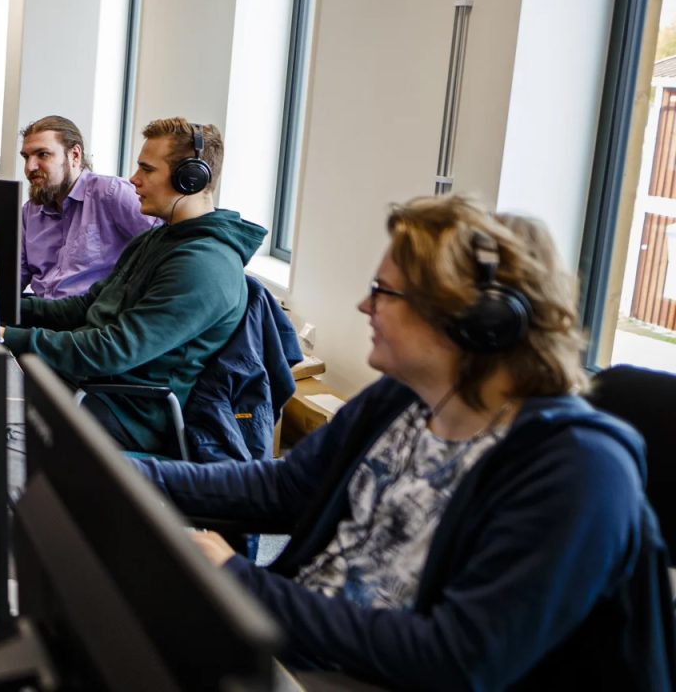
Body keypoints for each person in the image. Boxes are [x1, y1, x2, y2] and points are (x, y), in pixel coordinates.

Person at [143, 196, 675, 688]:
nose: (363, 306)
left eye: (384, 292)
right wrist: (132, 472)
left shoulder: (577, 468)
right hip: (300, 642)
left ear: (471, 320)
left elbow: (457, 660)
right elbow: (286, 488)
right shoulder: (407, 397)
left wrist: (241, 582)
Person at [3, 118, 263, 455]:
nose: (134, 179)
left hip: (128, 412)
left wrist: (10, 337)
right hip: (96, 385)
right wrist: (2, 308)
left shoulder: (204, 266)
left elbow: (113, 350)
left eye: (147, 169)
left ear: (190, 179)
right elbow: (84, 307)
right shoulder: (158, 239)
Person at [18, 116, 158, 299]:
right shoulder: (31, 211)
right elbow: (13, 278)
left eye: (43, 154)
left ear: (74, 155)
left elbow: (163, 250)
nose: (30, 167)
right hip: (40, 312)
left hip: (89, 318)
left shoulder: (112, 194)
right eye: (26, 157)